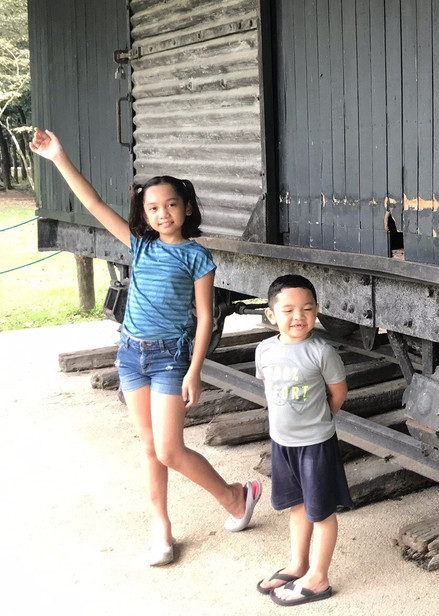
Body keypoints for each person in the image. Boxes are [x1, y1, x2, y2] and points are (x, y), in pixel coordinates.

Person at [29, 128, 261, 566]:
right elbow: (94, 203)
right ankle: (162, 528)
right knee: (149, 445)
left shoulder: (196, 256)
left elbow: (206, 319)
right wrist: (58, 156)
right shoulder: (140, 245)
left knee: (169, 449)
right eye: (153, 207)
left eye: (171, 204)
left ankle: (235, 496)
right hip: (131, 354)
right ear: (145, 213)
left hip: (171, 358)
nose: (162, 213)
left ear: (186, 207)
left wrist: (195, 371)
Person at [255, 274, 352, 606]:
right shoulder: (265, 350)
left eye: (307, 309)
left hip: (315, 445)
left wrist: (319, 424)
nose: (298, 317)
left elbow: (337, 394)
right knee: (297, 505)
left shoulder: (321, 352)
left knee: (321, 511)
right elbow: (269, 389)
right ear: (272, 315)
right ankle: (299, 564)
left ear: (317, 312)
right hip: (282, 443)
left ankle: (319, 577)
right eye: (288, 310)